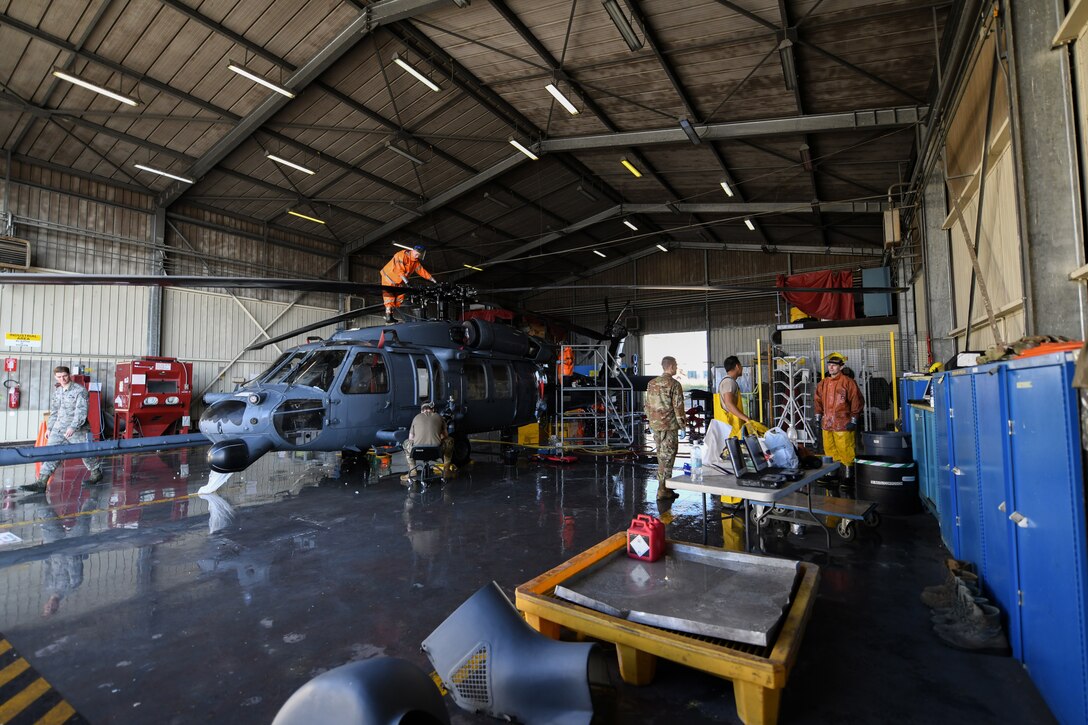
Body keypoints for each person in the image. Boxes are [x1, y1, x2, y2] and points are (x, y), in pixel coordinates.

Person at [23, 366, 102, 492]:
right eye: (59, 377)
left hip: (77, 429)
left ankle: (96, 473)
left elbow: (81, 412)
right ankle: (42, 482)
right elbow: (54, 411)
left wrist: (73, 427)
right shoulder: (58, 391)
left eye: (64, 376)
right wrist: (49, 428)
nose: (62, 379)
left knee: (86, 453)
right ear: (55, 377)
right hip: (58, 428)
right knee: (51, 452)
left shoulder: (79, 391)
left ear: (69, 375)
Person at [814, 352, 865, 482]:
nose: (831, 367)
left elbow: (856, 401)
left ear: (841, 367)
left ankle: (849, 476)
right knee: (829, 449)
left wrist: (853, 419)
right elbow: (818, 401)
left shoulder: (848, 383)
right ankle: (832, 474)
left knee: (846, 449)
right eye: (829, 365)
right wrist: (818, 417)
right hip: (827, 423)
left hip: (843, 423)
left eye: (834, 365)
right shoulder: (823, 383)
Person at [644, 356, 685, 500]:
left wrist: (651, 421)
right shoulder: (674, 384)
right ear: (672, 366)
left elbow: (647, 405)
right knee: (668, 457)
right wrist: (683, 425)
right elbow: (678, 407)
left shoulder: (651, 383)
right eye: (676, 365)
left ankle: (664, 486)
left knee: (661, 456)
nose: (676, 367)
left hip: (656, 426)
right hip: (669, 426)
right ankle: (663, 489)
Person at [380, 245, 435, 323]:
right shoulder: (401, 255)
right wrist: (407, 282)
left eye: (419, 255)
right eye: (418, 254)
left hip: (398, 280)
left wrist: (433, 279)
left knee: (400, 296)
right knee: (389, 297)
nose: (418, 256)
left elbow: (422, 271)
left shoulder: (415, 262)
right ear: (413, 251)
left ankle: (396, 314)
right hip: (388, 277)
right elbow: (400, 271)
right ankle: (389, 317)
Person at [714, 356, 767, 438]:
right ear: (737, 366)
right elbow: (729, 403)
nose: (742, 368)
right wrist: (746, 419)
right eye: (741, 366)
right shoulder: (729, 382)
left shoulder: (729, 382)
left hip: (728, 427)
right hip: (729, 427)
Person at [402, 402, 454, 482]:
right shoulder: (439, 417)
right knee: (450, 441)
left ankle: (413, 471)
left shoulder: (416, 417)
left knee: (405, 443)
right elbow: (445, 436)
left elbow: (410, 438)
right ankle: (446, 471)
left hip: (417, 452)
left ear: (421, 411)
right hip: (436, 451)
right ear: (433, 410)